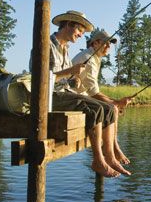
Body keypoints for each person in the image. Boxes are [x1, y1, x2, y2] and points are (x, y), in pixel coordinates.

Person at [42, 10, 131, 178]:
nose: (81, 35)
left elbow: (65, 79)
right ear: (68, 24)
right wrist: (71, 71)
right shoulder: (46, 45)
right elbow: (42, 77)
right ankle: (99, 160)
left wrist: (73, 78)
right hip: (50, 97)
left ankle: (110, 157)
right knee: (98, 109)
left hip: (64, 92)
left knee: (107, 108)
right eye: (79, 30)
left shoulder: (65, 48)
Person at [72, 30, 133, 165]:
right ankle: (112, 150)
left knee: (113, 108)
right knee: (113, 108)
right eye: (105, 43)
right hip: (73, 99)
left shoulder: (94, 58)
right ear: (95, 43)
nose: (108, 47)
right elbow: (94, 93)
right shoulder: (88, 58)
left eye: (110, 44)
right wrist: (117, 102)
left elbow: (94, 91)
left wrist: (116, 103)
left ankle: (114, 148)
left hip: (82, 97)